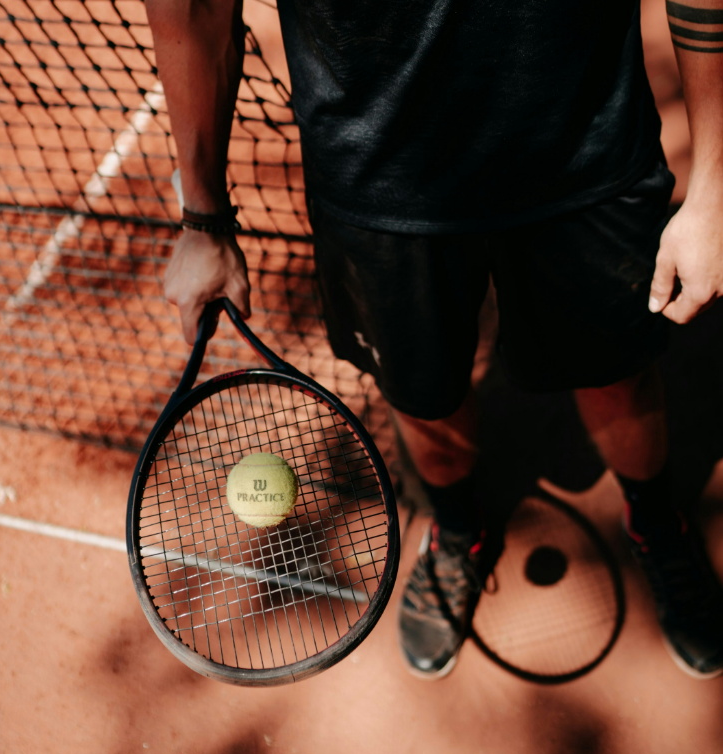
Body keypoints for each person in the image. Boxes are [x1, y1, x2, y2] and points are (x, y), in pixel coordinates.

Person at [145, 0, 723, 679]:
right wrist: (203, 218)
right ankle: (458, 532)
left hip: (583, 141)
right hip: (375, 173)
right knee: (423, 395)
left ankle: (656, 523)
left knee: (616, 373)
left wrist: (715, 180)